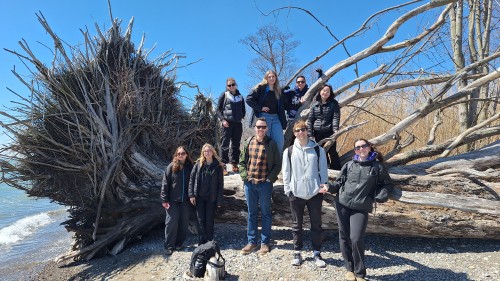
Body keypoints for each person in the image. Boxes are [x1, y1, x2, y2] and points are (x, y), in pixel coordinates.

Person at [319, 138, 392, 281]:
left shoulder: (378, 167)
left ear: (369, 147)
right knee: (344, 236)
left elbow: (387, 185)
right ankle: (349, 269)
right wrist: (329, 187)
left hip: (361, 207)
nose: (361, 149)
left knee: (356, 238)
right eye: (357, 148)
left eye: (363, 146)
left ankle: (360, 273)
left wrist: (380, 196)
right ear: (355, 151)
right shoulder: (349, 165)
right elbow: (339, 183)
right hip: (342, 203)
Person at [282, 120, 328, 268]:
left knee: (316, 224)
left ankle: (316, 252)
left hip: (315, 193)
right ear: (294, 133)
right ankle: (297, 252)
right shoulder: (289, 151)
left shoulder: (317, 150)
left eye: (303, 130)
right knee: (297, 225)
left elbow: (323, 171)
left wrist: (322, 186)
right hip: (296, 194)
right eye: (297, 130)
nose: (300, 133)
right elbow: (286, 172)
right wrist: (288, 190)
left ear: (307, 131)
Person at [238, 117, 282, 255]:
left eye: (263, 127)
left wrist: (270, 179)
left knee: (266, 214)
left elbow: (277, 164)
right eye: (258, 127)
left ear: (267, 128)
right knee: (251, 214)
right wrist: (245, 177)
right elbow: (241, 162)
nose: (261, 129)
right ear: (255, 128)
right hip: (250, 184)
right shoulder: (248, 142)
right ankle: (251, 242)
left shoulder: (271, 143)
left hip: (264, 185)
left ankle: (265, 242)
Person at [160, 146, 194, 255]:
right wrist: (164, 199)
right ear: (176, 155)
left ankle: (179, 244)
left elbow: (194, 182)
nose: (180, 155)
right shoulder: (171, 167)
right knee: (171, 223)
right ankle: (169, 246)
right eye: (178, 153)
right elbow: (165, 183)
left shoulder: (190, 167)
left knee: (184, 224)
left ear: (186, 154)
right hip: (172, 201)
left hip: (186, 201)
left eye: (183, 153)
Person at [188, 143, 224, 245]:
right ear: (202, 153)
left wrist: (219, 200)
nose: (206, 152)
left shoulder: (218, 166)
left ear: (213, 152)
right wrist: (191, 195)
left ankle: (209, 240)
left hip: (211, 198)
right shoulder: (198, 164)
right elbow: (191, 179)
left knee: (209, 219)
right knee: (200, 219)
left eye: (208, 151)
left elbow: (220, 185)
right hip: (199, 197)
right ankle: (201, 239)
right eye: (205, 151)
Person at [246, 70, 287, 154]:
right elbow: (248, 99)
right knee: (265, 142)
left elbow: (285, 104)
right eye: (269, 77)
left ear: (276, 78)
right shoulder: (261, 88)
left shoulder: (279, 91)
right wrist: (260, 108)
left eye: (273, 76)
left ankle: (278, 165)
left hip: (276, 118)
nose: (271, 78)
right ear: (266, 78)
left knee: (279, 142)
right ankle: (265, 165)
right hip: (264, 118)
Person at [307, 83, 341, 170]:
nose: (325, 93)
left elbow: (336, 117)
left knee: (332, 152)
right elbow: (310, 120)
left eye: (328, 91)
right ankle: (325, 171)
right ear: (320, 91)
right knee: (321, 153)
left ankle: (337, 171)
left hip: (329, 132)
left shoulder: (334, 103)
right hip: (317, 133)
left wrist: (335, 130)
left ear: (330, 93)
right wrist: (310, 134)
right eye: (324, 91)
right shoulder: (314, 104)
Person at [216, 77, 246, 175]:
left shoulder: (240, 96)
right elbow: (218, 110)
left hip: (237, 124)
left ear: (235, 85)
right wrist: (222, 120)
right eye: (229, 85)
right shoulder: (224, 95)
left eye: (233, 84)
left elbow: (243, 110)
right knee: (225, 144)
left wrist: (241, 117)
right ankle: (223, 165)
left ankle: (234, 164)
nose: (231, 86)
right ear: (227, 86)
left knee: (236, 144)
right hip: (227, 123)